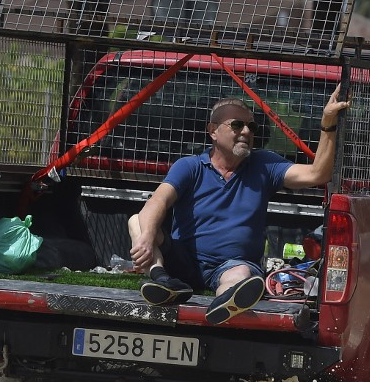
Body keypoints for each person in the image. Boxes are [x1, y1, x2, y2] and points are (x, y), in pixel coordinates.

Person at [128, 85, 350, 324]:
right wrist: (147, 239)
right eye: (236, 125)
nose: (246, 131)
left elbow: (318, 174)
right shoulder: (189, 166)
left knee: (241, 274)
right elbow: (158, 200)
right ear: (213, 131)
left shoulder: (264, 164)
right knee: (137, 222)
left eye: (251, 127)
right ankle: (162, 280)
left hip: (231, 266)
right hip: (182, 261)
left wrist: (328, 121)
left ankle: (224, 305)